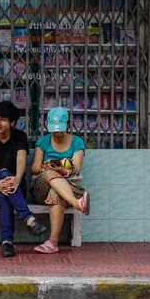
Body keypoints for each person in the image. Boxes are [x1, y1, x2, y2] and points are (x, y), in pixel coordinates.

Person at [0, 101, 48, 258]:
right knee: (2, 176)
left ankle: (7, 243)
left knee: (6, 192)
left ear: (12, 122)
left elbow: (21, 162)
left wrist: (16, 179)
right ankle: (29, 219)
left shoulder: (20, 137)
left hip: (15, 187)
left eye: (2, 119)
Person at [30, 107, 91, 254]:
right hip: (41, 189)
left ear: (67, 125)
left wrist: (65, 171)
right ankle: (78, 204)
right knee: (50, 175)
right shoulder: (43, 142)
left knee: (55, 193)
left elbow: (76, 168)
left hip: (70, 187)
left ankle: (52, 242)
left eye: (61, 130)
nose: (57, 134)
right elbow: (34, 168)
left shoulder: (77, 142)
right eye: (54, 130)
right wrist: (44, 169)